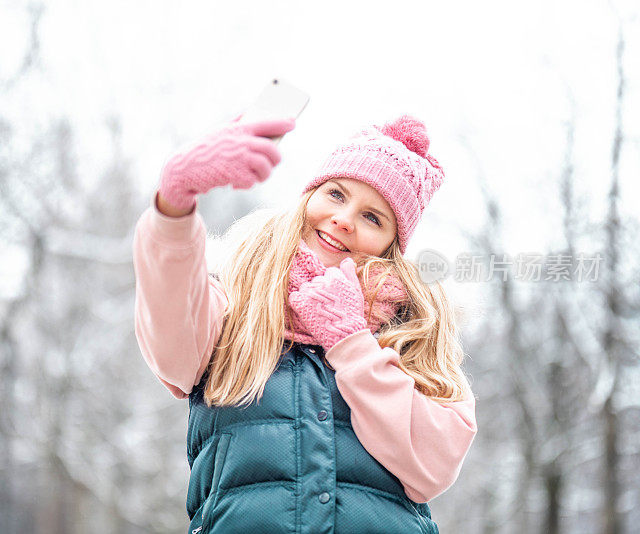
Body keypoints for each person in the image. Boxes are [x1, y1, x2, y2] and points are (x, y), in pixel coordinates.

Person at [132, 112, 478, 534]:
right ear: (309, 195)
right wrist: (174, 204)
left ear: (393, 244)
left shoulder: (413, 330)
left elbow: (434, 466)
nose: (344, 218)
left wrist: (351, 342)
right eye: (336, 193)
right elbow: (171, 346)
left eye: (373, 217)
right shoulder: (237, 299)